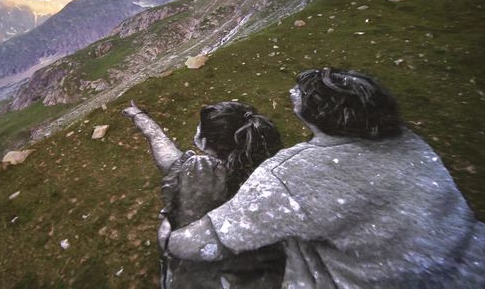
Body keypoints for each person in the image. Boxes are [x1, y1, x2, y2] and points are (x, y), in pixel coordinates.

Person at [165, 68, 485, 288]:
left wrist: (168, 238)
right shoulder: (408, 140)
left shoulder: (290, 175)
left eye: (299, 91)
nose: (293, 91)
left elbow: (209, 242)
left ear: (312, 113)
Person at [123, 101, 286, 288]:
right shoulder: (269, 163)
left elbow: (164, 152)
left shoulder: (200, 171)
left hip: (202, 275)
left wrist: (139, 118)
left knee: (167, 231)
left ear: (204, 140)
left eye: (200, 127)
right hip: (263, 271)